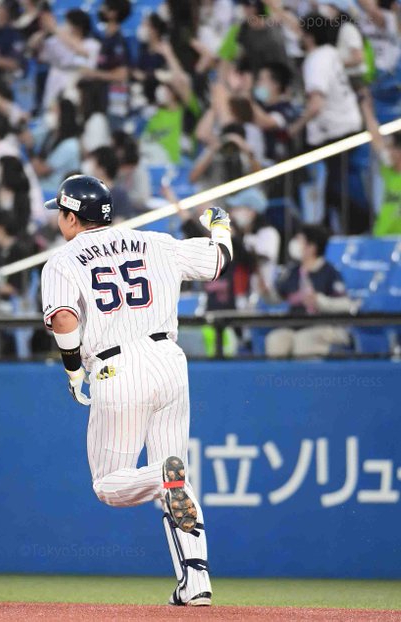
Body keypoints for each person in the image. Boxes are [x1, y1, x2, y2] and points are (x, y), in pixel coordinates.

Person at [40, 174, 234, 606]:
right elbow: (218, 260)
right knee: (177, 482)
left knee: (109, 484)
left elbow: (65, 318)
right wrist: (219, 223)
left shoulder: (62, 261)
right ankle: (196, 581)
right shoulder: (156, 242)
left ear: (71, 217)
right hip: (169, 360)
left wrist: (72, 368)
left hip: (116, 366)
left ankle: (161, 476)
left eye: (61, 213)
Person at [289, 13, 366, 234]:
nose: (299, 38)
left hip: (336, 130)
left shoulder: (315, 60)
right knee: (338, 184)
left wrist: (295, 127)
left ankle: (352, 229)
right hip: (349, 123)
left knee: (337, 187)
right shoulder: (331, 52)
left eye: (301, 33)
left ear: (309, 36)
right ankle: (337, 227)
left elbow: (316, 104)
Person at [263, 225, 353, 358]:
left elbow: (346, 304)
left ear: (312, 247)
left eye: (299, 240)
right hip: (294, 326)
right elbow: (276, 298)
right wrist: (264, 291)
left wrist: (319, 301)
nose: (295, 244)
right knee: (276, 340)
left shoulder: (329, 272)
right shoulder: (292, 272)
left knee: (304, 340)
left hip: (321, 325)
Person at [31, 98, 82, 194]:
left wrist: (29, 151)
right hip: (43, 186)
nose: (49, 115)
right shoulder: (51, 135)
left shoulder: (70, 145)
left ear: (63, 116)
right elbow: (30, 138)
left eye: (53, 112)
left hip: (55, 191)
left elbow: (41, 170)